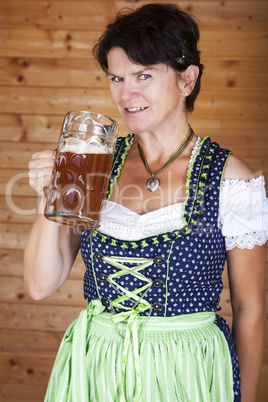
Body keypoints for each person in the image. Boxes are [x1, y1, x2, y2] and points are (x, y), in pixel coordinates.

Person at [24, 3, 267, 401]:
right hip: (96, 368)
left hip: (186, 370)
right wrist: (49, 195)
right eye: (116, 78)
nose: (126, 93)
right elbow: (39, 284)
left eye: (144, 76)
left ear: (187, 80)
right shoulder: (93, 164)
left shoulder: (232, 180)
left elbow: (250, 308)